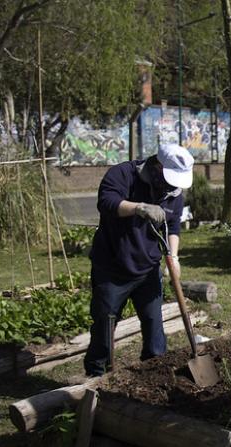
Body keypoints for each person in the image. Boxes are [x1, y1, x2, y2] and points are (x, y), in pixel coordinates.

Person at [83, 144, 194, 377]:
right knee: (104, 324)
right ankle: (97, 374)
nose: (173, 185)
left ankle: (155, 372)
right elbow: (106, 203)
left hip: (148, 269)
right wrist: (139, 208)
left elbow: (172, 226)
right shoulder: (124, 174)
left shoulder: (173, 193)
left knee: (154, 323)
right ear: (158, 166)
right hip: (112, 267)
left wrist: (174, 256)